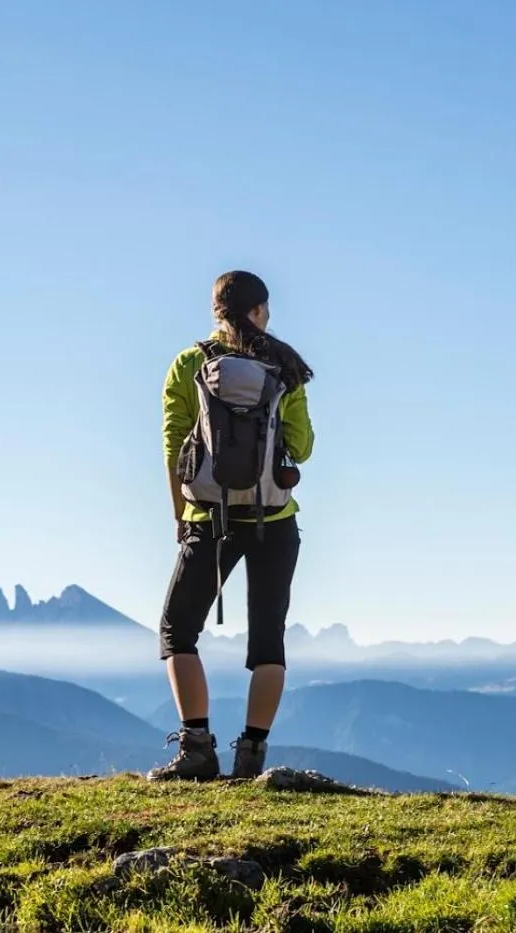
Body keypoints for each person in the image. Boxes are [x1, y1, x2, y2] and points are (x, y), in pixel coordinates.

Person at [147, 270, 315, 782]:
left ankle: (196, 748)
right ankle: (252, 757)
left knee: (178, 630)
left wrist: (181, 513)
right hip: (276, 519)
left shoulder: (189, 363)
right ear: (260, 310)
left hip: (209, 518)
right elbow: (302, 446)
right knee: (268, 640)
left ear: (215, 311)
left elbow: (176, 446)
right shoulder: (285, 366)